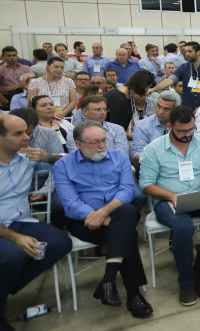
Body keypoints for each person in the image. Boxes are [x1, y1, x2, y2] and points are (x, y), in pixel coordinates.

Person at [0, 115, 71, 331]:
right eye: (18, 134)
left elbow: (71, 161)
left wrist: (49, 157)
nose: (27, 137)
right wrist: (17, 238)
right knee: (12, 255)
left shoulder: (26, 157)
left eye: (26, 132)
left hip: (19, 221)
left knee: (61, 243)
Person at [139, 106, 200, 306]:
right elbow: (145, 185)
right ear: (169, 127)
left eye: (191, 129)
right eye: (182, 131)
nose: (188, 134)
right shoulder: (153, 149)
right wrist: (171, 195)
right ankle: (187, 281)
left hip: (198, 194)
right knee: (183, 228)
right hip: (168, 200)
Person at [53, 121, 152, 318]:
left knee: (127, 213)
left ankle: (108, 280)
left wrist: (104, 213)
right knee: (127, 233)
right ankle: (134, 295)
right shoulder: (63, 166)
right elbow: (71, 203)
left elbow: (127, 190)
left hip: (116, 212)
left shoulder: (119, 157)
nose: (102, 146)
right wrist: (95, 215)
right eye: (95, 142)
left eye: (104, 140)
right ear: (79, 144)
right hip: (83, 220)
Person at [149, 42, 200, 109]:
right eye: (185, 51)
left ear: (198, 52)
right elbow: (170, 80)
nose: (186, 54)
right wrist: (153, 89)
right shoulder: (183, 67)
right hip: (186, 108)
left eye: (190, 51)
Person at [65, 95, 130, 156]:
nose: (103, 113)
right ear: (85, 111)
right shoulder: (74, 133)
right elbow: (76, 157)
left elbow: (122, 155)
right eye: (98, 109)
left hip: (113, 166)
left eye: (105, 109)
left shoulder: (117, 129)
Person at [103, 69, 157, 136]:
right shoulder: (119, 99)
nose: (147, 90)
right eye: (147, 87)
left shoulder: (128, 95)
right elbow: (115, 130)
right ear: (141, 85)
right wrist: (138, 138)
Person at [133, 89, 181, 163]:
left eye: (166, 109)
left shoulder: (183, 126)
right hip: (152, 167)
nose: (160, 112)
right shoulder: (142, 126)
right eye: (158, 106)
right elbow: (137, 156)